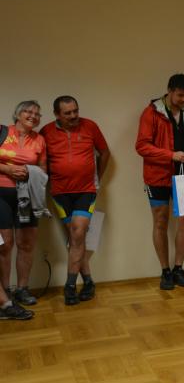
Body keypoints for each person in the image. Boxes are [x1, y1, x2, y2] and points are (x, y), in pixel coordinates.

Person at [135, 73, 184, 290]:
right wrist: (170, 155)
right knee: (160, 221)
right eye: (181, 95)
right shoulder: (151, 112)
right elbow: (142, 146)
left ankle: (178, 268)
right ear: (170, 91)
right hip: (157, 176)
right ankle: (165, 271)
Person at [40, 96, 111, 305]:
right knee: (75, 239)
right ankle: (88, 282)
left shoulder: (90, 126)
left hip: (86, 191)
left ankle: (69, 286)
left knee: (78, 233)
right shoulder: (46, 131)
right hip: (60, 193)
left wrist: (98, 177)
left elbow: (105, 152)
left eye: (75, 111)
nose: (73, 116)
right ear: (57, 114)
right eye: (67, 113)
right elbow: (40, 159)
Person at [0, 100, 47, 308]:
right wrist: (7, 169)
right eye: (28, 112)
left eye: (37, 114)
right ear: (18, 114)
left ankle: (22, 289)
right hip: (1, 195)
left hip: (28, 196)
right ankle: (4, 292)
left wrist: (30, 172)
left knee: (26, 244)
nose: (33, 116)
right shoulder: (2, 132)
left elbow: (43, 171)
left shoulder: (40, 140)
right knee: (4, 245)